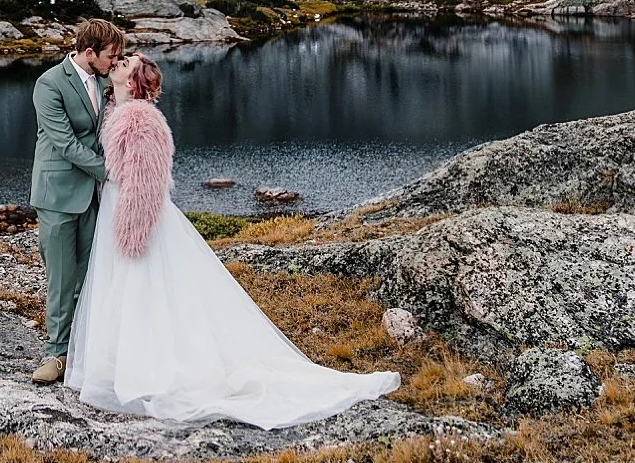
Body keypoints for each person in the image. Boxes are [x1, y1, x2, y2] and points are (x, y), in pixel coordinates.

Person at [64, 51, 403, 427]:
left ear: (133, 82)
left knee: (143, 285)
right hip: (118, 207)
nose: (118, 62)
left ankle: (145, 367)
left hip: (135, 215)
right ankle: (122, 362)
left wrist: (132, 227)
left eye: (126, 62)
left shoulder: (137, 120)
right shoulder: (117, 111)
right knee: (127, 285)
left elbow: (146, 182)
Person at [26, 17, 124, 385]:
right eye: (111, 55)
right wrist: (111, 172)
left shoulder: (103, 82)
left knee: (90, 277)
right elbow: (65, 144)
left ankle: (83, 352)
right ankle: (55, 355)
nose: (115, 62)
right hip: (57, 195)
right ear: (89, 52)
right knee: (62, 279)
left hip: (93, 197)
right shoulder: (49, 84)